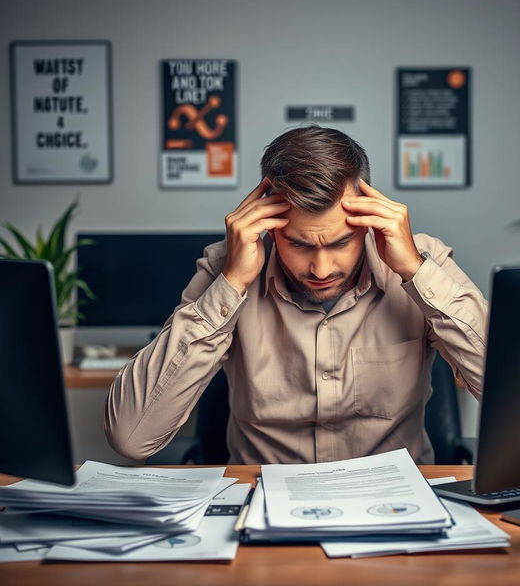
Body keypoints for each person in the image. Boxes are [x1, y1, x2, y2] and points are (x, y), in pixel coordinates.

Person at [105, 126, 487, 464]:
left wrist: (415, 273)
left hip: (395, 505)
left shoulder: (421, 260)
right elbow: (131, 438)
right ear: (269, 226)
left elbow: (511, 400)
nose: (321, 269)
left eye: (340, 242)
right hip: (260, 506)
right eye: (299, 244)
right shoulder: (228, 266)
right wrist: (232, 283)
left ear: (368, 221)